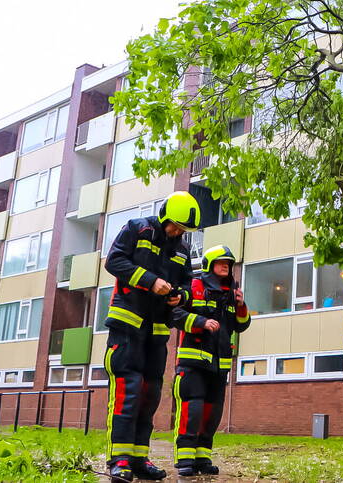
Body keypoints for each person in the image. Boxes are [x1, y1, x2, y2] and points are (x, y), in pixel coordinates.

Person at [103, 191, 200, 482]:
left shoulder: (182, 249)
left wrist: (179, 296)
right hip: (127, 325)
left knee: (150, 394)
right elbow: (114, 262)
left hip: (157, 332)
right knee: (127, 390)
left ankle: (138, 458)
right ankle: (118, 460)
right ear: (164, 216)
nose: (177, 232)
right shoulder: (137, 228)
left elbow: (187, 284)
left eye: (183, 230)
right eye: (175, 226)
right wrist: (150, 281)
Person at [170, 244, 250, 477]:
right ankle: (184, 459)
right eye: (221, 261)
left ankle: (202, 458)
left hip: (219, 365)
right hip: (192, 362)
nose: (226, 265)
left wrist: (241, 305)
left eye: (229, 263)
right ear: (209, 265)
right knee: (192, 409)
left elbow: (241, 325)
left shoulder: (231, 292)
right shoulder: (194, 286)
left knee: (212, 414)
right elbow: (174, 314)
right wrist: (200, 322)